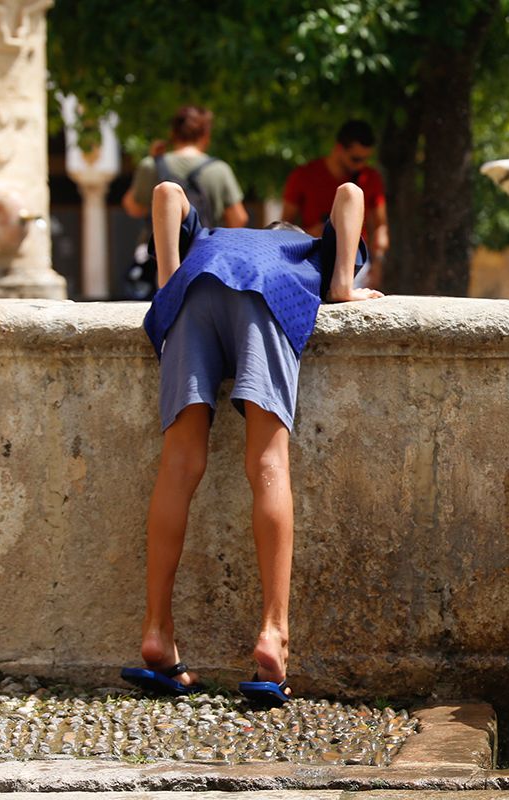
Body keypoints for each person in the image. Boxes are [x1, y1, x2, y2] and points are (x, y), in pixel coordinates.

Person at [119, 179, 382, 706]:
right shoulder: (306, 248)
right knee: (266, 461)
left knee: (179, 464)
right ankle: (272, 635)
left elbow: (168, 191)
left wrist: (169, 280)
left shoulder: (216, 236)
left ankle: (156, 632)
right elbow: (351, 191)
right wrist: (341, 287)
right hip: (269, 297)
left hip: (194, 292)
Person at [282, 119, 389, 288]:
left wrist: (378, 264)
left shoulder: (370, 177)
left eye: (365, 159)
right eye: (355, 159)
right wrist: (312, 232)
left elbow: (380, 226)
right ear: (339, 148)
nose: (361, 165)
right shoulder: (303, 176)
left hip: (357, 260)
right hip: (312, 255)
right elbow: (284, 226)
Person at [123, 105, 249, 229]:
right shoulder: (220, 169)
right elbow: (238, 218)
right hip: (203, 248)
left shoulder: (151, 165)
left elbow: (134, 208)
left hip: (157, 248)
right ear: (206, 135)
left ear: (172, 133)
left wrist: (153, 159)